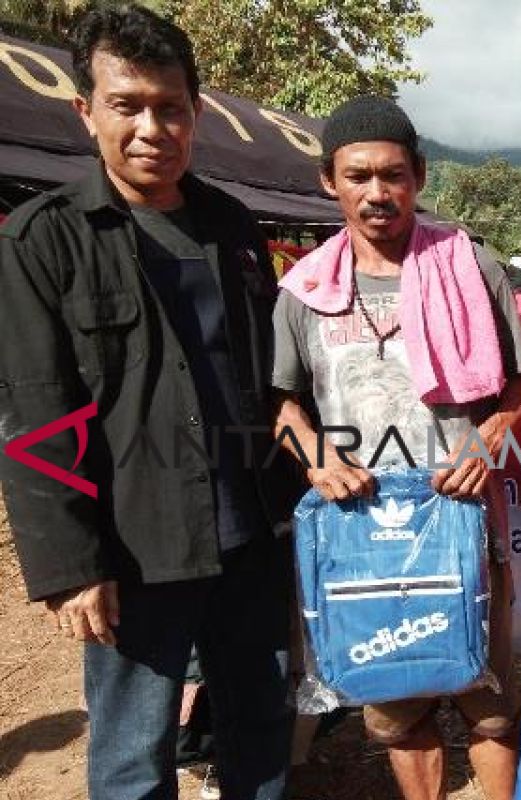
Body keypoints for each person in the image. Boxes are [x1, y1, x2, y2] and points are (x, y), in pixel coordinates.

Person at [0, 5, 294, 799]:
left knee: (261, 725)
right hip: (137, 548)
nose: (150, 128)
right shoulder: (43, 239)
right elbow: (35, 411)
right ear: (85, 111)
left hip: (251, 535)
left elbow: (269, 374)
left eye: (170, 107)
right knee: (135, 751)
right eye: (127, 106)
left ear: (196, 113)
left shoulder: (232, 227)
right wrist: (72, 565)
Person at [271, 96, 521, 800]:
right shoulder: (302, 291)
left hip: (463, 519)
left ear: (418, 175)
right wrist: (318, 458)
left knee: (491, 703)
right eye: (358, 176)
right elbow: (281, 402)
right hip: (363, 538)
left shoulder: (471, 267)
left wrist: (487, 438)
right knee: (395, 708)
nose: (377, 193)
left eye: (393, 175)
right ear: (330, 181)